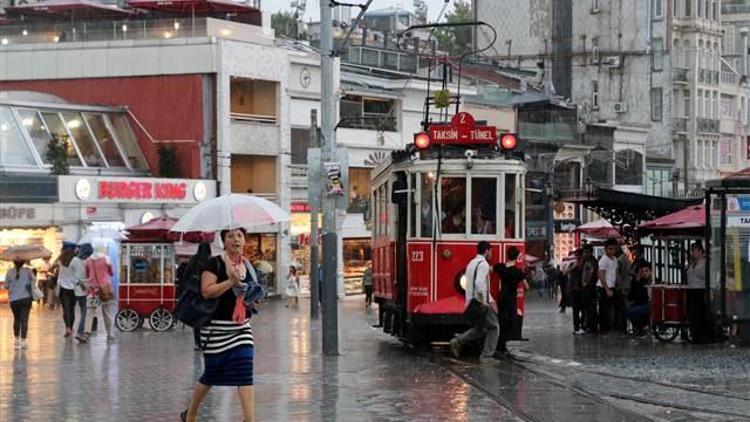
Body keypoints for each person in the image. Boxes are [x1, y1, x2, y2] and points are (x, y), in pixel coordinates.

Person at [183, 228, 256, 422]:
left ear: (244, 241)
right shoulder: (214, 263)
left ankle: (250, 419)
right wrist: (230, 281)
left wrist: (252, 297)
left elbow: (250, 295)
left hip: (241, 327)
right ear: (224, 241)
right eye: (231, 236)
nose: (236, 239)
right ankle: (191, 413)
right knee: (211, 375)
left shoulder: (247, 265)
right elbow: (206, 291)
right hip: (216, 329)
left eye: (240, 236)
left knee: (245, 370)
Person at [449, 241, 500, 361]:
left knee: (481, 328)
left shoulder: (472, 263)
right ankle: (486, 356)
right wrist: (484, 301)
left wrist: (491, 300)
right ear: (486, 250)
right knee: (494, 327)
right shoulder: (484, 264)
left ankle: (457, 341)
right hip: (479, 303)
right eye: (490, 251)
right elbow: (479, 284)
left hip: (471, 302)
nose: (491, 253)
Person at [178, 242, 213, 350]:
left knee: (197, 318)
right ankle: (208, 340)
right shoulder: (211, 261)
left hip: (194, 293)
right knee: (209, 317)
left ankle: (198, 343)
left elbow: (185, 275)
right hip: (208, 292)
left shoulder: (194, 260)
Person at [494, 247, 525, 356]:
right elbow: (526, 285)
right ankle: (500, 347)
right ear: (517, 257)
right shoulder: (518, 272)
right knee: (510, 322)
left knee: (502, 322)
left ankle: (501, 346)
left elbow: (491, 268)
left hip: (501, 297)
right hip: (511, 298)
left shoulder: (501, 267)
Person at [82, 246, 116, 343]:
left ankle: (87, 333)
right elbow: (111, 273)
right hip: (104, 290)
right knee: (107, 312)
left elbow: (87, 274)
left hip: (93, 290)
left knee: (90, 312)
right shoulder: (106, 259)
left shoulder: (88, 260)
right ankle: (110, 333)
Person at [686, 241, 714, 344]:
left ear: (700, 251)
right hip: (692, 289)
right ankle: (696, 335)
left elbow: (710, 277)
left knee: (701, 313)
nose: (693, 253)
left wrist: (710, 290)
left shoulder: (706, 263)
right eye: (692, 250)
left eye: (695, 250)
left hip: (701, 290)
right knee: (694, 314)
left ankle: (705, 336)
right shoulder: (692, 263)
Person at [57, 242, 86, 339]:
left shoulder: (60, 260)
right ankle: (71, 328)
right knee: (72, 309)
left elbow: (58, 273)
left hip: (63, 287)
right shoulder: (76, 260)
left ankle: (68, 328)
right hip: (73, 287)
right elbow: (77, 275)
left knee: (65, 309)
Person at [6, 259, 35, 349]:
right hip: (25, 298)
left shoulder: (10, 272)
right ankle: (23, 341)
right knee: (24, 320)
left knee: (16, 319)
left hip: (14, 300)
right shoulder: (28, 271)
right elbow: (34, 282)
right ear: (23, 263)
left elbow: (6, 286)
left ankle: (16, 340)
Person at [597, 239, 619, 334]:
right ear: (605, 249)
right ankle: (604, 329)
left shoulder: (614, 259)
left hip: (612, 286)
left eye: (613, 249)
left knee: (610, 309)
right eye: (610, 249)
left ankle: (609, 327)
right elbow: (601, 274)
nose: (612, 251)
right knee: (604, 310)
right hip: (604, 288)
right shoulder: (604, 260)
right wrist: (606, 289)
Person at [74, 244, 94, 342]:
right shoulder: (89, 261)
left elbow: (72, 274)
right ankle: (79, 332)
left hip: (78, 289)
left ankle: (80, 332)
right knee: (84, 312)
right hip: (88, 289)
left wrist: (78, 282)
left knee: (83, 311)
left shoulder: (74, 260)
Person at [627, 262, 651, 337]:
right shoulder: (640, 281)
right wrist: (637, 281)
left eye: (646, 271)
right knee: (628, 310)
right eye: (642, 271)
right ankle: (640, 327)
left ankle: (641, 328)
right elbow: (633, 295)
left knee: (632, 311)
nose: (644, 273)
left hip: (650, 304)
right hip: (641, 303)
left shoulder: (653, 281)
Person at [579, 246, 599, 334]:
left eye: (587, 252)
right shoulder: (586, 261)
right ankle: (589, 326)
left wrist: (586, 283)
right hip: (587, 288)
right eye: (584, 252)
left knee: (590, 308)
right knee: (587, 308)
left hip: (589, 288)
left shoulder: (592, 262)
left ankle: (591, 326)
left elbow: (590, 273)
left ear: (591, 252)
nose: (585, 254)